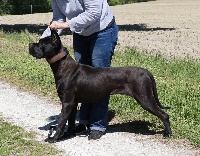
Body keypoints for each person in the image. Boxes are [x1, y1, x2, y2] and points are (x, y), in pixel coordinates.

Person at [41, 0, 118, 140]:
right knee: (83, 80)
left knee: (101, 79)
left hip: (102, 30)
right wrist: (44, 38)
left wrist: (66, 25)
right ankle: (84, 120)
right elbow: (58, 18)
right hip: (80, 33)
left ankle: (98, 124)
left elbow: (94, 13)